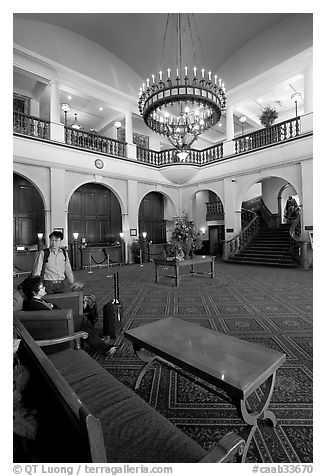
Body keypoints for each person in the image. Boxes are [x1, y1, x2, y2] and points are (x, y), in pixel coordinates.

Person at [20, 276, 117, 356]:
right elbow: (49, 315)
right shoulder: (33, 304)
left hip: (60, 321)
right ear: (34, 292)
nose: (44, 288)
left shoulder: (39, 300)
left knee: (84, 320)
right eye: (41, 288)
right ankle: (104, 347)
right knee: (83, 321)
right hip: (58, 327)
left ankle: (100, 344)